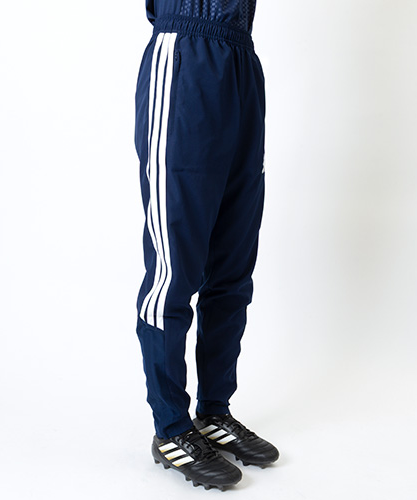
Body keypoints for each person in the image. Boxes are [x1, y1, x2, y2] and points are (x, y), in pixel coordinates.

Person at [133, 0, 279, 490]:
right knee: (174, 270)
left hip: (241, 61)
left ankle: (214, 411)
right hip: (185, 56)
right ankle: (171, 427)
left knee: (233, 265)